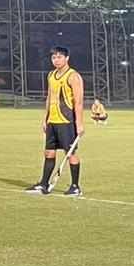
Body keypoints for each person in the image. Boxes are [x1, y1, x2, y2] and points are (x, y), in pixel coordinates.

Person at [26, 46, 84, 196]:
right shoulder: (51, 75)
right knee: (49, 153)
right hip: (52, 121)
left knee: (71, 153)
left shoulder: (73, 76)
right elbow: (49, 97)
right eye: (54, 58)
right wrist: (45, 119)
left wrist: (79, 123)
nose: (56, 60)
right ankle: (43, 184)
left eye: (59, 57)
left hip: (66, 121)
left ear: (67, 58)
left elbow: (78, 102)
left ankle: (75, 186)